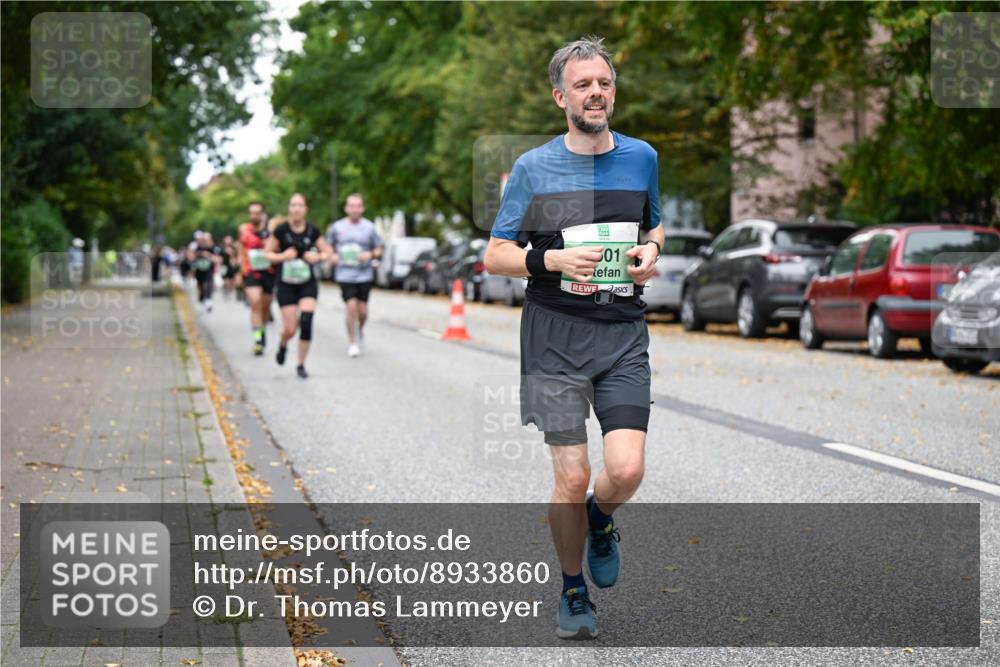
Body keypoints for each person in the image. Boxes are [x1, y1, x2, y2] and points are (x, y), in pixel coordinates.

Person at [483, 36, 663, 640]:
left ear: (613, 91)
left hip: (621, 330)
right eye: (583, 84)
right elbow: (495, 254)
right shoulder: (534, 167)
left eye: (604, 82)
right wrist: (552, 261)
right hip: (554, 336)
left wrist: (651, 252)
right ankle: (572, 590)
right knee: (569, 474)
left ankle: (601, 520)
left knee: (627, 469)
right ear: (561, 95)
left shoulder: (642, 158)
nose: (596, 93)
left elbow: (654, 224)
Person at [264, 193, 334, 378]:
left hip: (307, 283)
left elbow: (328, 252)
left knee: (306, 320)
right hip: (286, 284)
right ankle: (283, 344)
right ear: (289, 208)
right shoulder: (281, 230)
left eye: (300, 205)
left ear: (305, 209)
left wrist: (317, 257)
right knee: (291, 328)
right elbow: (267, 254)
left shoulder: (312, 231)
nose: (296, 209)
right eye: (293, 205)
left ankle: (301, 364)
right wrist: (282, 256)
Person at [327, 193, 384, 357]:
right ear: (346, 208)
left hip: (364, 274)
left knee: (363, 311)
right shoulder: (337, 227)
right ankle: (352, 342)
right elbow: (328, 247)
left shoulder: (369, 227)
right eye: (351, 206)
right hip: (345, 274)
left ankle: (361, 329)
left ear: (362, 208)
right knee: (351, 307)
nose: (354, 209)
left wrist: (371, 254)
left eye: (357, 206)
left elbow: (379, 248)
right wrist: (333, 256)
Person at [238, 201, 275, 355]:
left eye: (257, 213)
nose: (254, 216)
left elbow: (277, 247)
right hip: (251, 271)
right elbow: (241, 249)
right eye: (252, 213)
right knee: (255, 303)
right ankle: (258, 340)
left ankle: (262, 330)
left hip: (269, 271)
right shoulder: (243, 229)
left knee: (265, 307)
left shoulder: (271, 230)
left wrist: (269, 241)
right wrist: (240, 271)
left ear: (263, 214)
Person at [192, 232, 222, 312]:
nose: (205, 241)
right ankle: (201, 299)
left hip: (209, 270)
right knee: (201, 286)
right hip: (199, 270)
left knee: (208, 285)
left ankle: (209, 300)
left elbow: (218, 259)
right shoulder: (197, 248)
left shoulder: (214, 248)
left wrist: (208, 255)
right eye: (204, 240)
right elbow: (191, 257)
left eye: (207, 240)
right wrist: (198, 254)